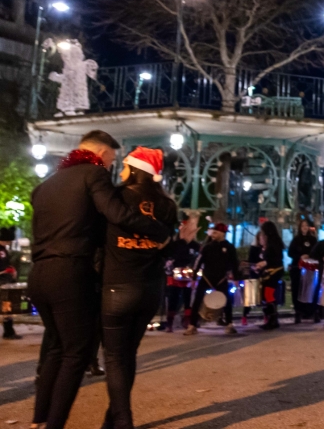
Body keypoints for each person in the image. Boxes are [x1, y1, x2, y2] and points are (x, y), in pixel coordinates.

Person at [29, 130, 169, 429]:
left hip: (39, 274)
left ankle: (39, 417)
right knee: (77, 353)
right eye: (112, 159)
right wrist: (158, 232)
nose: (112, 167)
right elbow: (115, 213)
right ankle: (56, 424)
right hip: (71, 273)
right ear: (102, 154)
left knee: (56, 345)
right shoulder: (93, 175)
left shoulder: (44, 187)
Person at [101, 147, 178, 429]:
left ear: (135, 168)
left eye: (124, 165)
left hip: (117, 287)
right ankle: (113, 420)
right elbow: (170, 247)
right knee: (127, 355)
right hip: (150, 289)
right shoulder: (167, 205)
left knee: (115, 357)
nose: (120, 168)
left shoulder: (116, 198)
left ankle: (123, 420)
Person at [185, 223, 239, 335]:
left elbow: (235, 264)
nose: (213, 234)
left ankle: (229, 324)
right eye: (212, 232)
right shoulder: (207, 247)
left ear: (222, 233)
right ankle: (192, 325)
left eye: (215, 232)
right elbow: (198, 262)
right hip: (206, 277)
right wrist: (194, 277)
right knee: (197, 301)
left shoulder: (229, 247)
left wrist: (236, 278)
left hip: (221, 278)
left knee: (227, 300)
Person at [165, 220, 200, 332]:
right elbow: (168, 256)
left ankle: (188, 321)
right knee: (173, 298)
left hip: (189, 275)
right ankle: (169, 323)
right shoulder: (174, 244)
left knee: (188, 299)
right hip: (175, 275)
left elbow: (200, 256)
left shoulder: (195, 245)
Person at [256, 221, 285, 330]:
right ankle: (271, 318)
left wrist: (265, 263)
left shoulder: (274, 243)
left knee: (268, 293)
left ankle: (273, 319)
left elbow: (275, 259)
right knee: (266, 294)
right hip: (272, 271)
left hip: (275, 271)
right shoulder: (271, 242)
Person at [287, 219, 317, 323]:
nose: (304, 227)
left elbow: (317, 252)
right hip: (298, 269)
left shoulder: (313, 240)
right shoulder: (296, 240)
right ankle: (298, 312)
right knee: (297, 290)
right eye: (302, 225)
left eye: (306, 225)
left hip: (310, 269)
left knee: (310, 290)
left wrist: (309, 256)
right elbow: (290, 253)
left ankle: (311, 311)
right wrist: (300, 256)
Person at [0, 226, 20, 340]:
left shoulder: (4, 250)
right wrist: (4, 271)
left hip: (5, 280)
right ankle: (8, 331)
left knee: (7, 306)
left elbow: (6, 264)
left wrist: (11, 269)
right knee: (6, 306)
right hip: (2, 280)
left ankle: (9, 331)